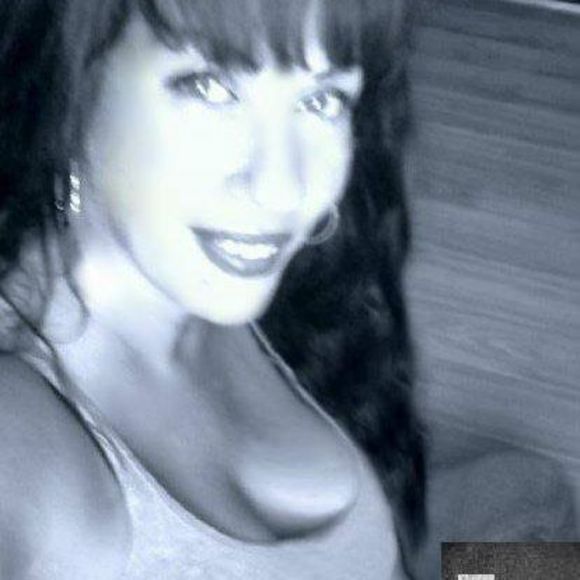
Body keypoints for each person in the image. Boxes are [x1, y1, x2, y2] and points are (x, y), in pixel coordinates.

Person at [0, 0, 426, 578]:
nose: (281, 189)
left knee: (523, 509)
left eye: (322, 100)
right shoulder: (22, 440)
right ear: (73, 87)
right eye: (211, 89)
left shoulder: (253, 286)